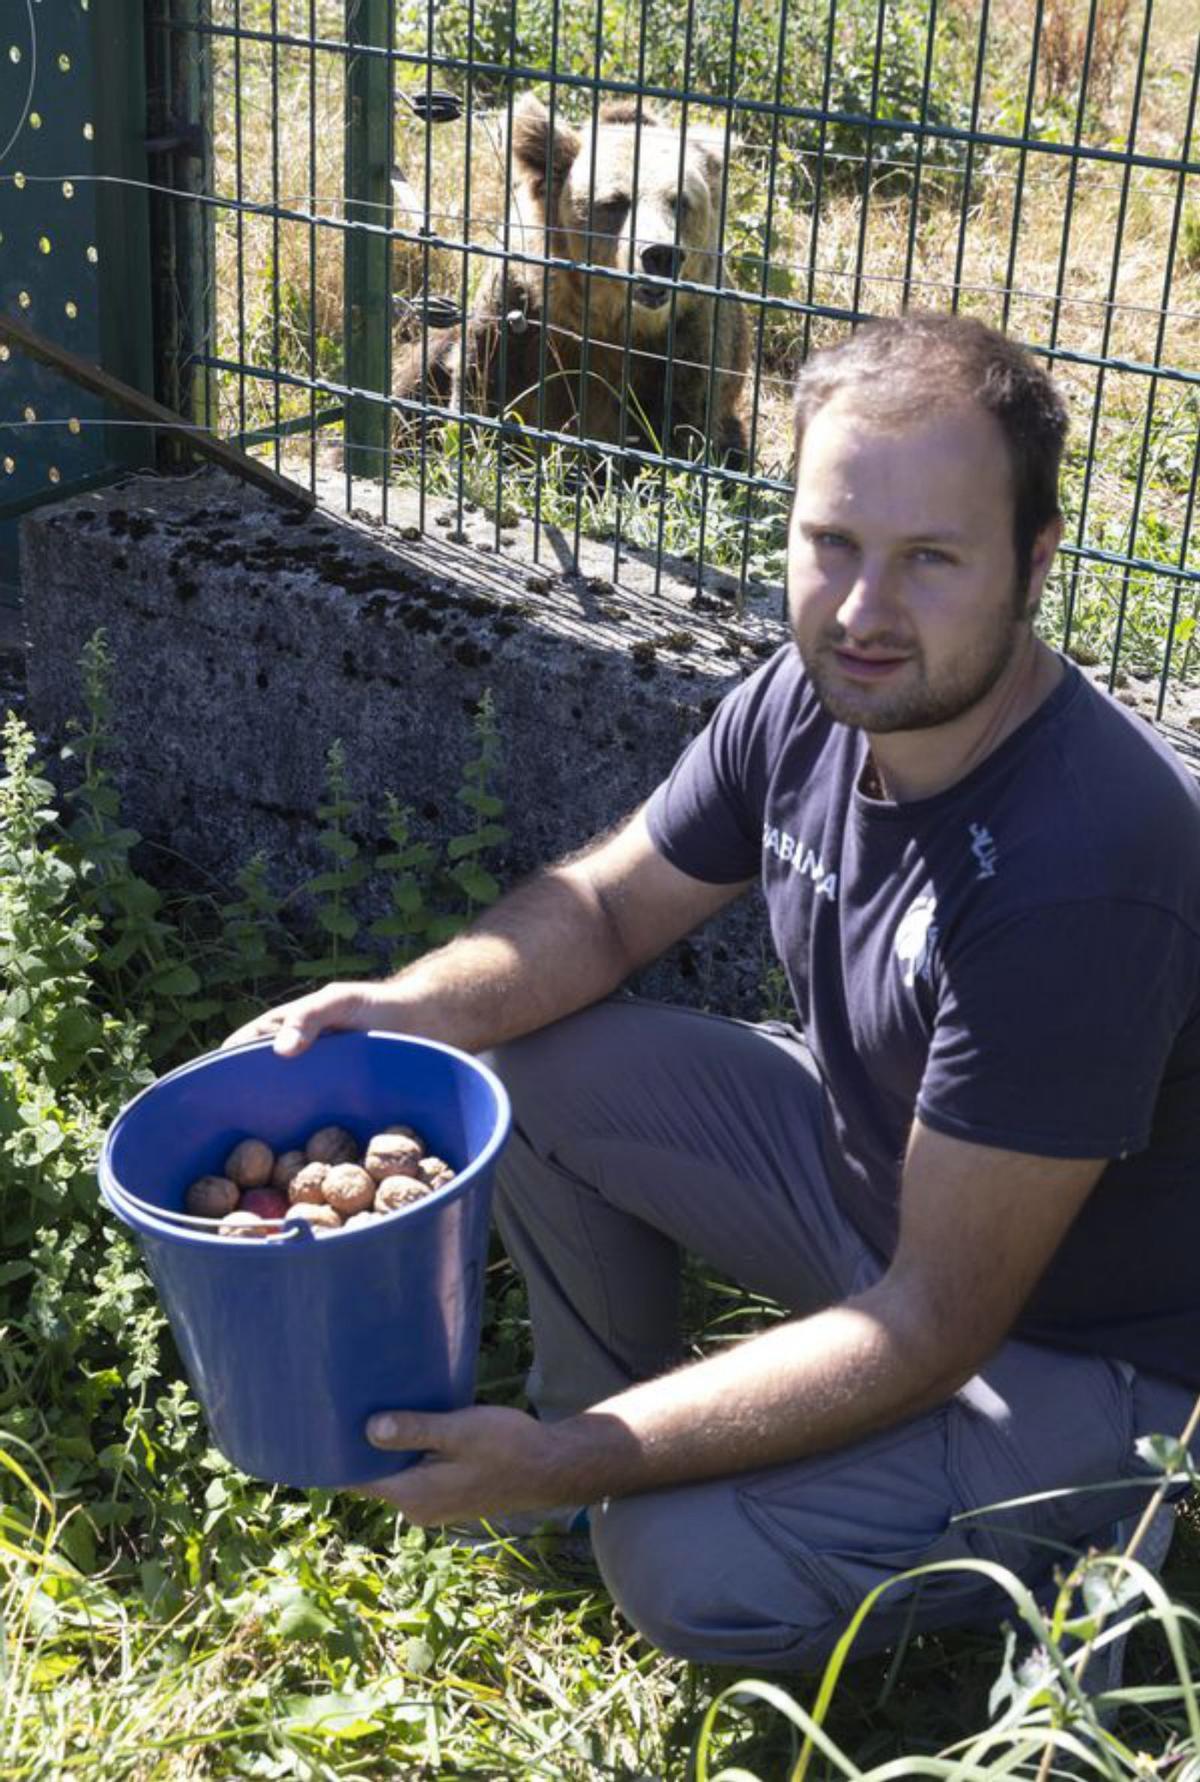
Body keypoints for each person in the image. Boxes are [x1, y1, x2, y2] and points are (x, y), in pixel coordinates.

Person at [227, 312, 1200, 1672]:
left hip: (1079, 1342)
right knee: (523, 1065)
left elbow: (936, 1318)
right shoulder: (813, 698)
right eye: (834, 543)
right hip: (883, 1191)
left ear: (1035, 564)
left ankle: (1090, 1545)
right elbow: (608, 907)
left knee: (684, 1566)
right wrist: (403, 1006)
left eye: (931, 558)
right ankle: (604, 1433)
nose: (864, 610)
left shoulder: (1083, 866)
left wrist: (567, 1464)